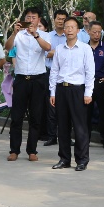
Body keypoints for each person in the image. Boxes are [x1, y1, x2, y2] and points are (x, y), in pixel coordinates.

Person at [49, 17, 95, 170]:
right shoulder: (59, 49)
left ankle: (82, 160)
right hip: (61, 89)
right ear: (64, 30)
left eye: (72, 27)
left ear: (78, 30)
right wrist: (52, 92)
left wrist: (88, 93)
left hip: (78, 90)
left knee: (80, 127)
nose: (69, 30)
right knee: (62, 126)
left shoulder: (85, 49)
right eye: (67, 27)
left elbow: (90, 72)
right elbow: (54, 71)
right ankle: (64, 159)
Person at [7, 9, 53, 162]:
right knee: (16, 116)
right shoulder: (18, 35)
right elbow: (8, 47)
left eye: (34, 17)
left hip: (38, 79)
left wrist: (35, 34)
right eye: (28, 17)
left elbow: (47, 48)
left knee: (36, 116)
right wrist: (14, 33)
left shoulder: (44, 34)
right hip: (21, 79)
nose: (31, 20)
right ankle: (14, 150)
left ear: (38, 19)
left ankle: (32, 150)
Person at [41, 9, 69, 146]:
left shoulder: (70, 36)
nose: (61, 21)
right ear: (54, 19)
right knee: (51, 105)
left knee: (66, 106)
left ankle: (66, 137)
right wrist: (58, 52)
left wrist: (54, 52)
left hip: (66, 74)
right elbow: (44, 53)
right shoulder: (48, 36)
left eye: (63, 19)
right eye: (59, 18)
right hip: (49, 72)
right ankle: (52, 136)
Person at [87, 20, 104, 133]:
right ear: (88, 31)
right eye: (94, 32)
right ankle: (85, 137)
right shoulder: (84, 47)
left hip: (102, 82)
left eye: (99, 32)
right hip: (88, 83)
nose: (97, 35)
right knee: (86, 111)